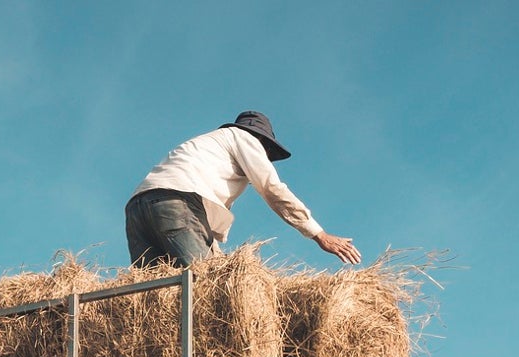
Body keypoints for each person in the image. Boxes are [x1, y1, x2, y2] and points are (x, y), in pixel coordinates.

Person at [125, 110, 361, 268]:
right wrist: (318, 234)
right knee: (206, 289)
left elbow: (201, 224)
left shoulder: (210, 155)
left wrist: (219, 260)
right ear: (263, 143)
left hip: (137, 209)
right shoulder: (245, 139)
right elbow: (272, 188)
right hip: (177, 202)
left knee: (151, 294)